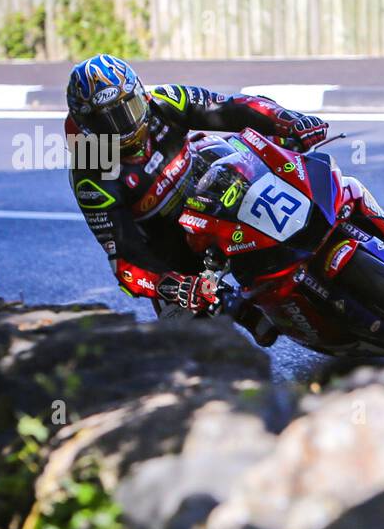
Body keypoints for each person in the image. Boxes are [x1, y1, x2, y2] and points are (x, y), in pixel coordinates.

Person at [64, 53, 328, 343]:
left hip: (213, 185)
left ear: (140, 93)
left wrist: (288, 121)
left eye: (129, 108)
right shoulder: (90, 172)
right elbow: (125, 259)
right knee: (187, 335)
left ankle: (333, 218)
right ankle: (238, 309)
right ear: (87, 125)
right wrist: (169, 285)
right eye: (108, 121)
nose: (123, 126)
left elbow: (230, 107)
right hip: (172, 244)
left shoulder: (164, 100)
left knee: (259, 151)